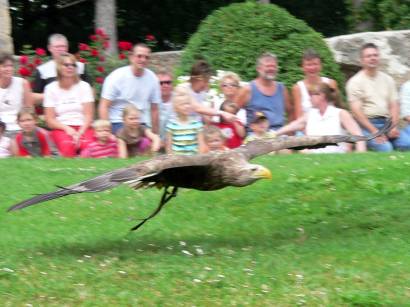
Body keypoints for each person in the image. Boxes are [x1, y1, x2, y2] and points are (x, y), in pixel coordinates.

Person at [346, 42, 410, 151]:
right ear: (361, 60)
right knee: (386, 148)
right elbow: (356, 112)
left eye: (375, 55)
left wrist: (393, 127)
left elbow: (394, 105)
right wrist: (374, 131)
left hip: (387, 123)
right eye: (368, 56)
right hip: (367, 125)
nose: (373, 58)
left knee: (407, 144)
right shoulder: (355, 82)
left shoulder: (387, 79)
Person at [275, 83, 366, 153]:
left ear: (321, 96)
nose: (309, 98)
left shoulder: (341, 114)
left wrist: (360, 155)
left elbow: (358, 135)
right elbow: (293, 125)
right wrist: (274, 134)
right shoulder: (310, 114)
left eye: (311, 95)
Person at [99, 43, 161, 134]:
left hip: (140, 122)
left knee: (146, 143)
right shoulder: (116, 77)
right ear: (131, 57)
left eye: (146, 57)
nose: (143, 60)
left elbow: (154, 109)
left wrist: (156, 134)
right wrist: (108, 133)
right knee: (128, 141)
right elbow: (103, 106)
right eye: (139, 56)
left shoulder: (153, 78)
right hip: (118, 121)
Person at [44, 53, 95, 157]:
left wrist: (80, 132)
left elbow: (88, 116)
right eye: (66, 65)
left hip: (83, 126)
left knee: (89, 148)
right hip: (62, 127)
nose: (70, 67)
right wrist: (68, 129)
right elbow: (50, 120)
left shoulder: (84, 86)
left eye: (73, 65)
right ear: (59, 67)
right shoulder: (50, 88)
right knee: (68, 147)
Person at [235, 52, 292, 132]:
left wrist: (290, 132)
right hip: (256, 138)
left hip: (279, 135)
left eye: (274, 66)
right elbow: (230, 113)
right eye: (268, 66)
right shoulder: (248, 90)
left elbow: (290, 113)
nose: (271, 69)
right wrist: (239, 130)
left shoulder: (282, 89)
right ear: (258, 69)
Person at [33, 33, 91, 103]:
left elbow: (90, 90)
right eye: (57, 47)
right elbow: (34, 96)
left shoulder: (81, 67)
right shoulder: (42, 70)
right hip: (53, 109)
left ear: (67, 47)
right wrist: (53, 94)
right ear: (49, 48)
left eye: (63, 46)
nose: (61, 49)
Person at [291, 49, 339, 120]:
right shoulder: (297, 88)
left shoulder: (331, 83)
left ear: (321, 66)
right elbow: (299, 118)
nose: (312, 68)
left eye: (315, 64)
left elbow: (337, 111)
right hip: (307, 127)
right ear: (302, 67)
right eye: (308, 65)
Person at [0, 53, 33, 137]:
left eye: (10, 66)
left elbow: (29, 109)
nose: (8, 69)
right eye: (4, 66)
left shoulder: (22, 83)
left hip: (19, 127)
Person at [166, 87, 205, 155]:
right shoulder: (171, 126)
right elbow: (169, 147)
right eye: (183, 104)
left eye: (188, 103)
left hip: (193, 161)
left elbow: (201, 145)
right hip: (177, 162)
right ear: (176, 107)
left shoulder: (197, 124)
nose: (187, 106)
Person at [157, 69, 174, 142]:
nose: (165, 85)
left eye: (168, 82)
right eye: (161, 83)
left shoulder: (180, 100)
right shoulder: (150, 102)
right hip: (155, 142)